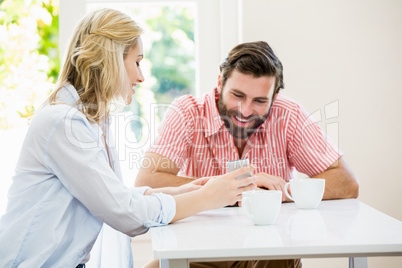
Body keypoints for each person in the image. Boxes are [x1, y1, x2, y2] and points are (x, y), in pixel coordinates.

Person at [0, 8, 257, 268]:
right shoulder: (63, 123)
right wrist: (206, 198)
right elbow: (123, 212)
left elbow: (114, 195)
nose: (141, 76)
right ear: (110, 59)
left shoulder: (95, 121)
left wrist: (183, 191)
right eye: (136, 62)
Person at [135, 41, 359, 268]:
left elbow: (346, 182)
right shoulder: (187, 112)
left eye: (260, 101)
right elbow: (146, 183)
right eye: (237, 95)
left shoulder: (288, 114)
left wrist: (283, 191)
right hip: (199, 250)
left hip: (271, 254)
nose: (245, 111)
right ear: (220, 82)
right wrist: (233, 187)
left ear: (275, 95)